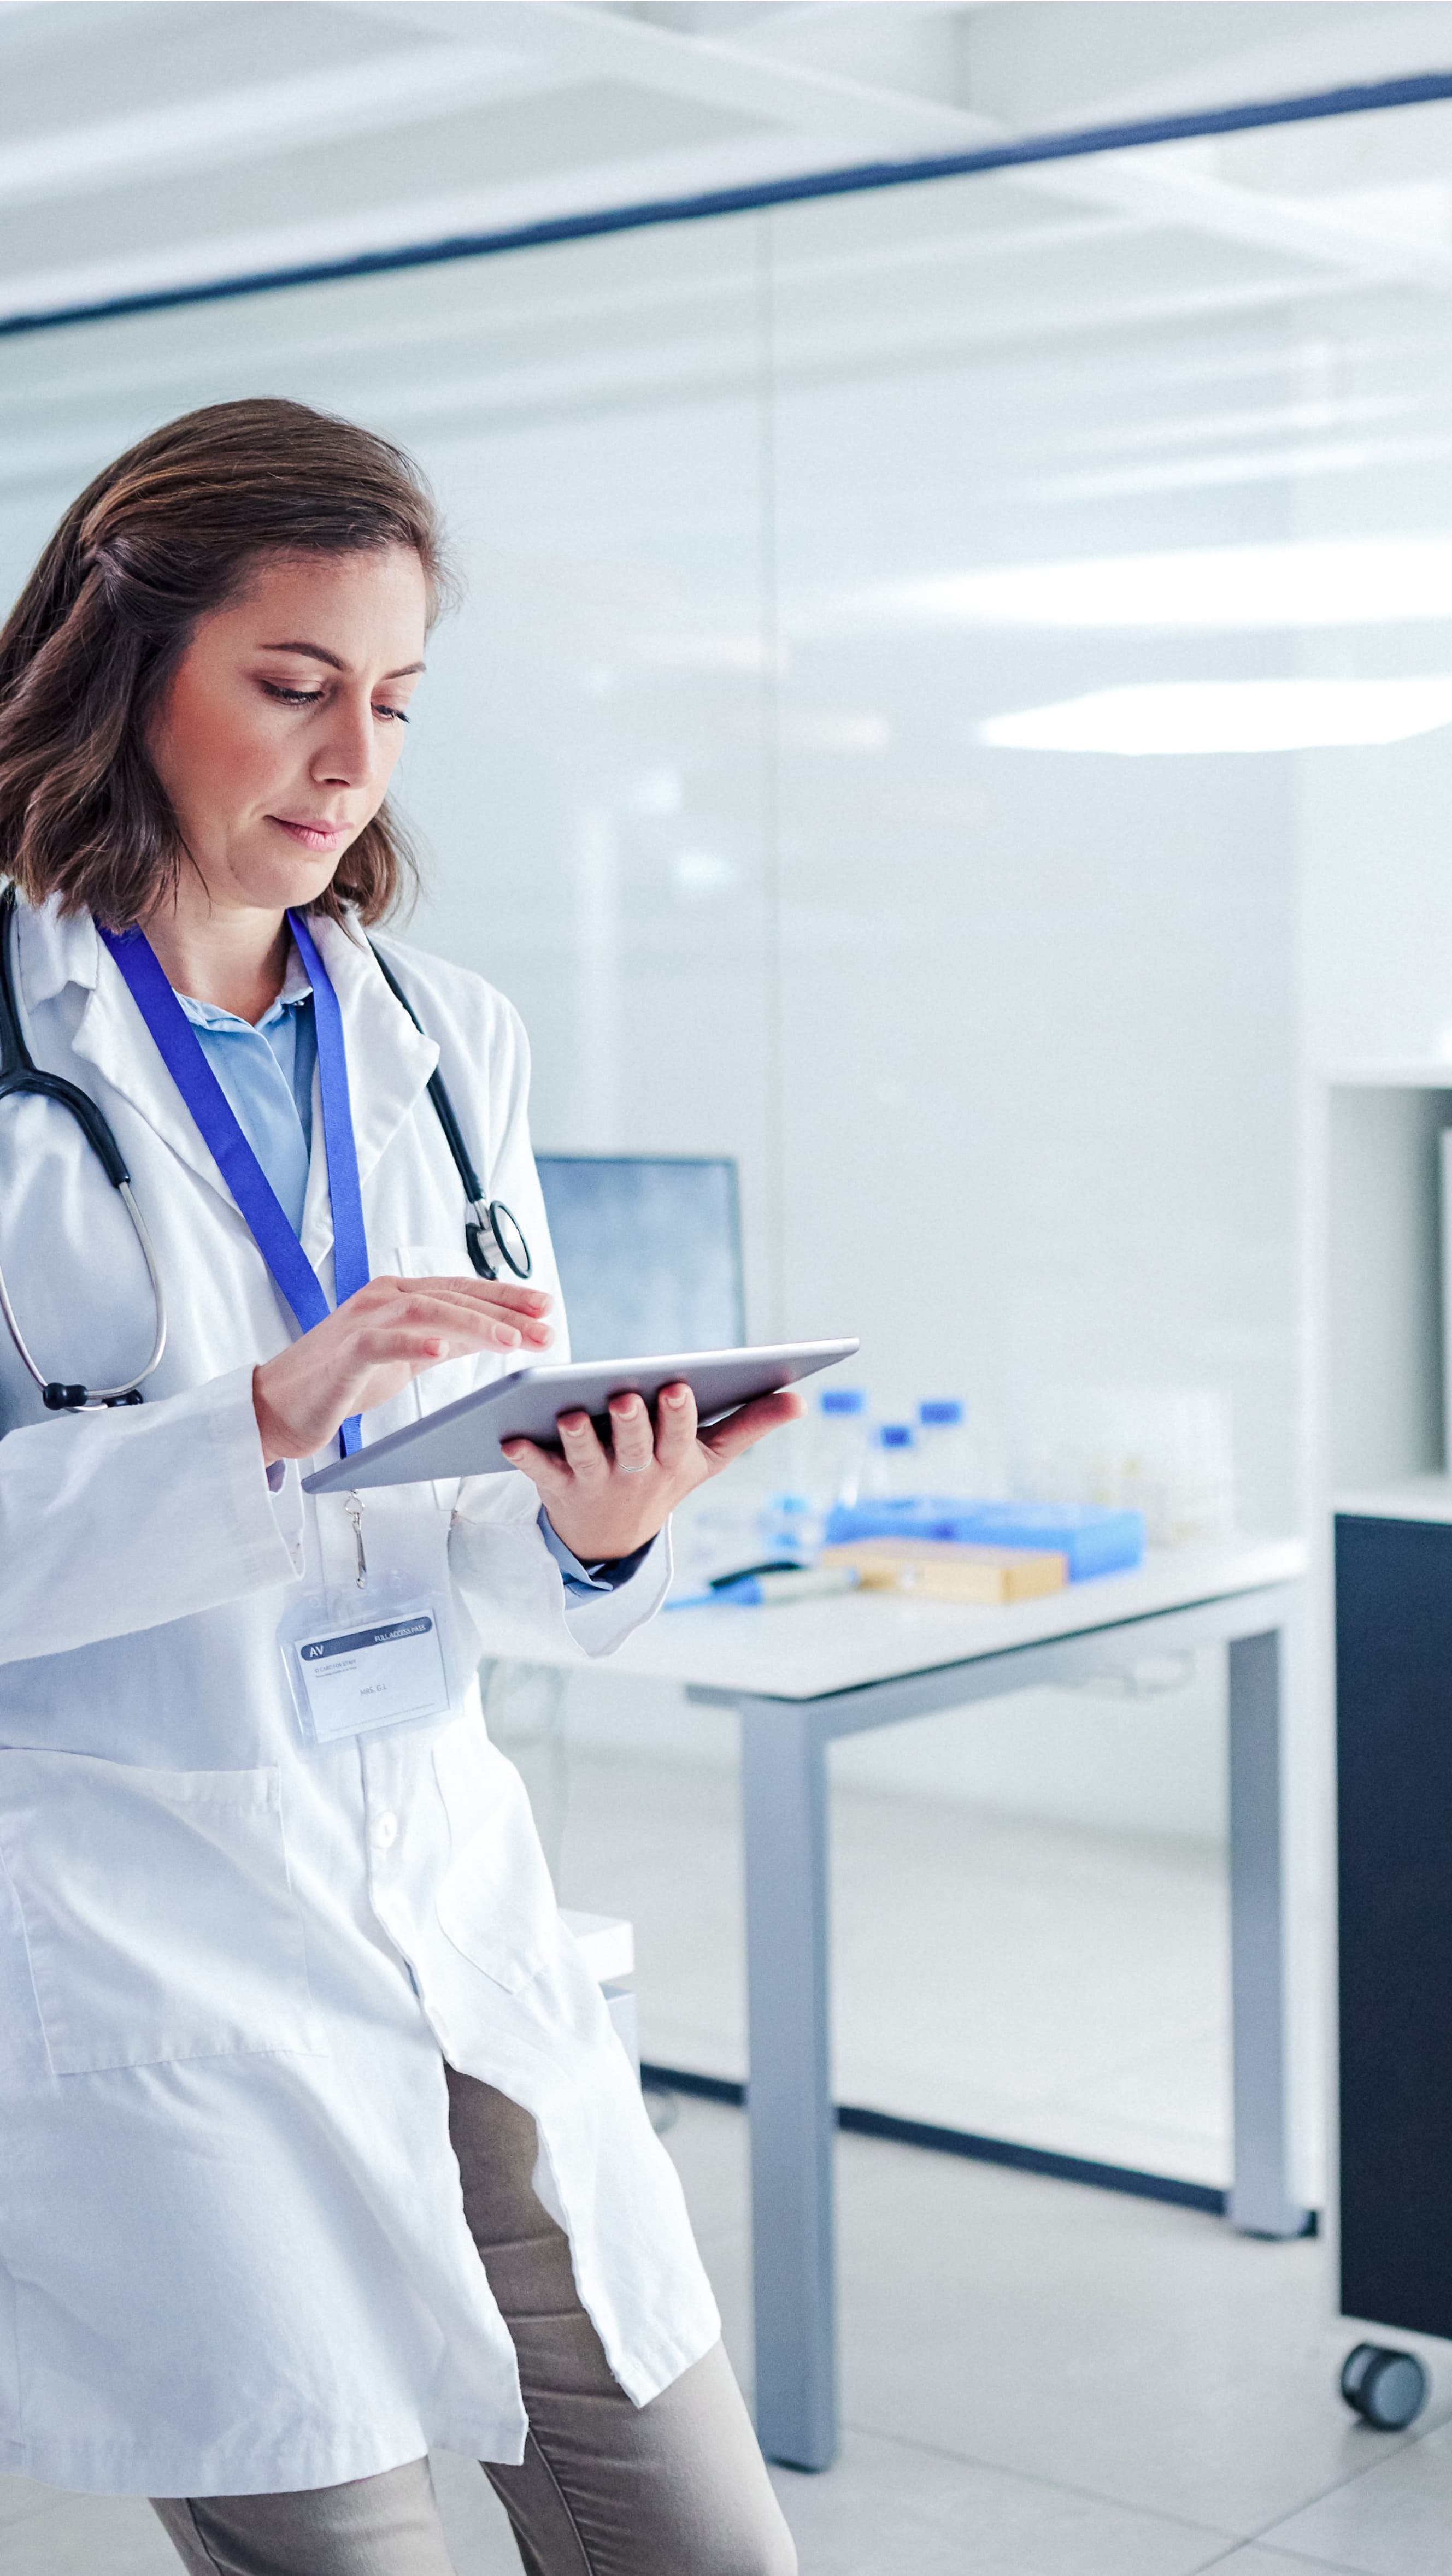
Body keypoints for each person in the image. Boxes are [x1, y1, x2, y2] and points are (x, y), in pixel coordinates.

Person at [0, 399, 800, 2576]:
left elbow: (486, 1539)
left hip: (451, 1882)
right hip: (152, 1924)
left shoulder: (445, 1036)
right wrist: (252, 1424)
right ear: (116, 657)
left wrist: (599, 1520)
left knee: (704, 2547)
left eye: (397, 700)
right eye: (292, 684)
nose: (354, 758)